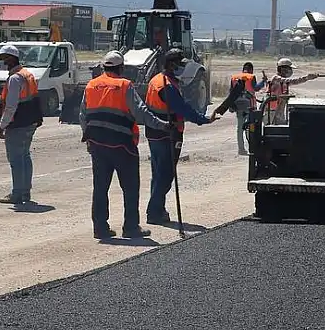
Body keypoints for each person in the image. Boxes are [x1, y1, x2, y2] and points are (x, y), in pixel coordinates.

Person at [79, 51, 174, 240]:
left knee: (100, 188)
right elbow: (141, 113)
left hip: (98, 145)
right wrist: (163, 125)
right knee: (130, 188)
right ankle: (130, 227)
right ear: (121, 68)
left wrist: (88, 138)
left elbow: (83, 115)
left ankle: (100, 228)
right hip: (122, 145)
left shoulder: (91, 85)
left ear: (104, 67)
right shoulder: (124, 85)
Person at [144, 48, 213, 225]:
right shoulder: (166, 85)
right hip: (168, 134)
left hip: (154, 133)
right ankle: (154, 212)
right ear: (171, 64)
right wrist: (203, 120)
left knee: (158, 174)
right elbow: (182, 109)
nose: (182, 68)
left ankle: (159, 209)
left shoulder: (155, 80)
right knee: (166, 175)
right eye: (180, 65)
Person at [0, 44, 44, 206]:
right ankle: (25, 192)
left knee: (16, 159)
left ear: (10, 59)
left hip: (18, 124)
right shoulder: (27, 74)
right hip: (30, 122)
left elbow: (11, 106)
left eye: (2, 58)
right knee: (24, 156)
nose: (0, 61)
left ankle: (17, 193)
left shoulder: (15, 78)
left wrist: (2, 125)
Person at [264, 58, 320, 125]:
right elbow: (291, 81)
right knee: (270, 130)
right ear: (283, 69)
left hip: (279, 110)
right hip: (271, 111)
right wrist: (306, 78)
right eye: (289, 68)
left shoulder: (282, 81)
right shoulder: (276, 78)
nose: (290, 71)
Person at [227, 62, 267, 154]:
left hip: (237, 105)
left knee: (240, 127)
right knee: (250, 127)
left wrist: (230, 105)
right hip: (249, 105)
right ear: (251, 70)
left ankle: (241, 149)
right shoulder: (251, 77)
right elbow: (256, 88)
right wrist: (263, 81)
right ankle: (251, 148)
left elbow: (231, 91)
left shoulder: (234, 77)